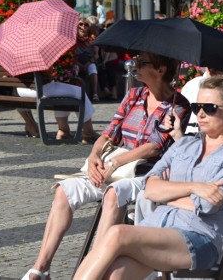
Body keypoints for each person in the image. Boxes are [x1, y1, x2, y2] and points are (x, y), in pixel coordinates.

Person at [21, 52, 191, 280]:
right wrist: (94, 156)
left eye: (142, 63)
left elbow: (155, 147)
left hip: (146, 174)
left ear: (160, 71)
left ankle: (95, 270)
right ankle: (41, 268)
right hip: (111, 168)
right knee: (64, 190)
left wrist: (114, 162)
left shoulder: (177, 104)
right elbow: (109, 133)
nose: (135, 66)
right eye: (136, 62)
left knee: (112, 195)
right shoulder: (133, 95)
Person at [72, 76, 223, 279]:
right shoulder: (185, 145)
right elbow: (149, 189)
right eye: (196, 107)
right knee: (115, 273)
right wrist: (194, 187)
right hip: (157, 228)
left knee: (117, 233)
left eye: (210, 107)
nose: (201, 114)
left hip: (199, 238)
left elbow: (208, 205)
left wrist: (167, 193)